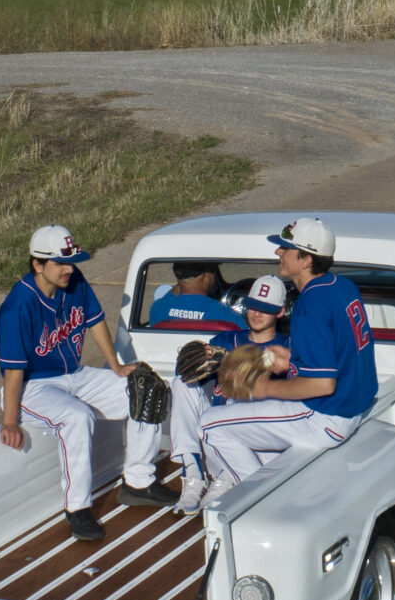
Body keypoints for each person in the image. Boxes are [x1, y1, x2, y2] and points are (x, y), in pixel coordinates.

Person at [0, 223, 167, 541]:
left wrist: (116, 366)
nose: (68, 269)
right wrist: (10, 421)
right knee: (77, 416)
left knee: (146, 389)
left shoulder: (73, 282)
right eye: (60, 263)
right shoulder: (17, 307)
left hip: (76, 377)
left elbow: (95, 321)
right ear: (37, 264)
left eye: (70, 262)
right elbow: (14, 371)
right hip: (34, 387)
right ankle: (77, 509)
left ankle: (139, 481)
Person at [196, 217, 379, 491]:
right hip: (354, 407)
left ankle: (261, 496)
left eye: (285, 248)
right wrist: (290, 358)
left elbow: (322, 384)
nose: (278, 253)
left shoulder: (311, 304)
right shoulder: (343, 287)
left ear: (306, 260)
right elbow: (338, 350)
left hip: (324, 418)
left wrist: (265, 387)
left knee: (210, 426)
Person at [166, 272, 293, 509]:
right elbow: (186, 369)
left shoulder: (288, 347)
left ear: (279, 312)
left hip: (259, 450)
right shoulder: (225, 340)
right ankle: (193, 475)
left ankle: (227, 479)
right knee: (181, 384)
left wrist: (238, 364)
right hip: (215, 441)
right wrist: (194, 363)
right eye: (253, 306)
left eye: (265, 308)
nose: (256, 313)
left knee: (243, 395)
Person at [148, 260, 247, 334]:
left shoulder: (158, 308)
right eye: (213, 272)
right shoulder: (228, 316)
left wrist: (180, 284)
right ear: (205, 277)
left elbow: (170, 296)